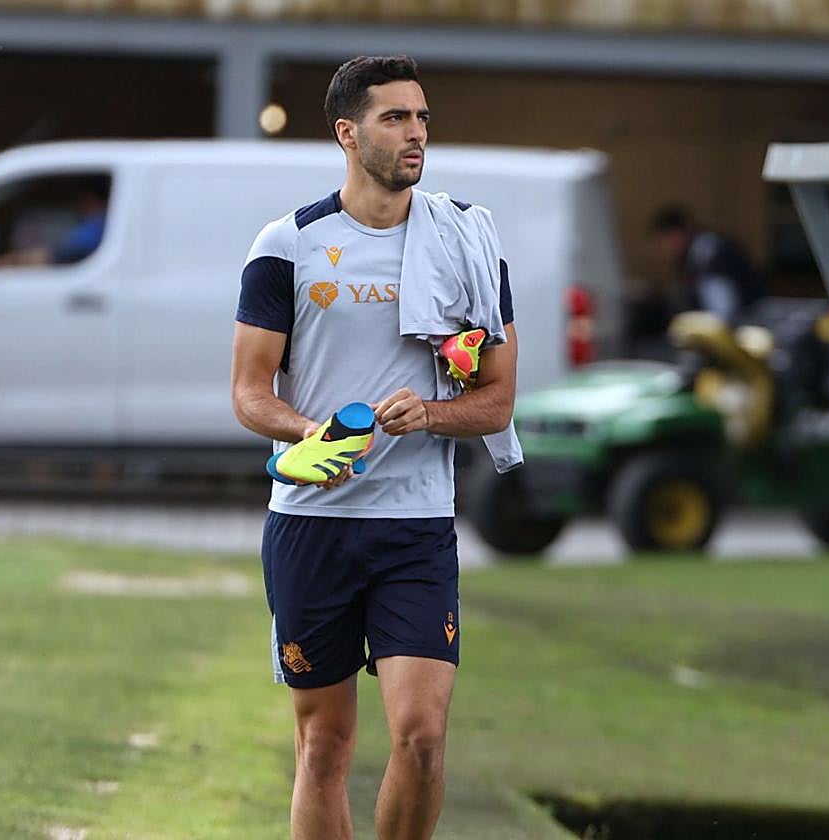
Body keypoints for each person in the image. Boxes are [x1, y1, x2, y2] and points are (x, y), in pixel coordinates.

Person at [231, 55, 518, 840]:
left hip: (415, 528)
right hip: (311, 525)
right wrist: (311, 434)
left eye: (423, 117)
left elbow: (496, 402)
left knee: (421, 738)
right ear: (347, 133)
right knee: (324, 746)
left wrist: (427, 413)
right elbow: (251, 393)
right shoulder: (288, 243)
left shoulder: (466, 240)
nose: (416, 133)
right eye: (396, 118)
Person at [648, 204, 763, 325]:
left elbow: (722, 311)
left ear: (677, 233)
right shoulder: (700, 251)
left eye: (665, 241)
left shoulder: (707, 253)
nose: (665, 248)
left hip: (746, 324)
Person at [0, 178, 108, 266]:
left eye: (83, 200)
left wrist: (13, 261)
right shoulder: (93, 223)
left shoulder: (97, 225)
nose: (79, 206)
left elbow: (62, 256)